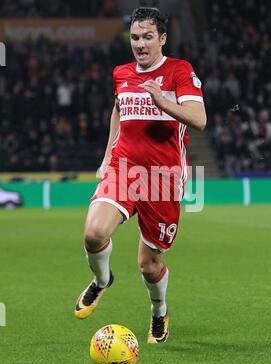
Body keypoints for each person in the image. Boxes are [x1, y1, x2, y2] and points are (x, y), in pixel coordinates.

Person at [74, 7, 207, 344]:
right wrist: (107, 157)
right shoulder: (121, 73)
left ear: (162, 39)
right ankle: (102, 280)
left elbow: (199, 118)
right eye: (135, 37)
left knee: (149, 265)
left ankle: (159, 312)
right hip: (125, 167)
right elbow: (118, 110)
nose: (140, 44)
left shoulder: (179, 71)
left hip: (162, 177)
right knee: (93, 233)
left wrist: (163, 101)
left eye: (148, 37)